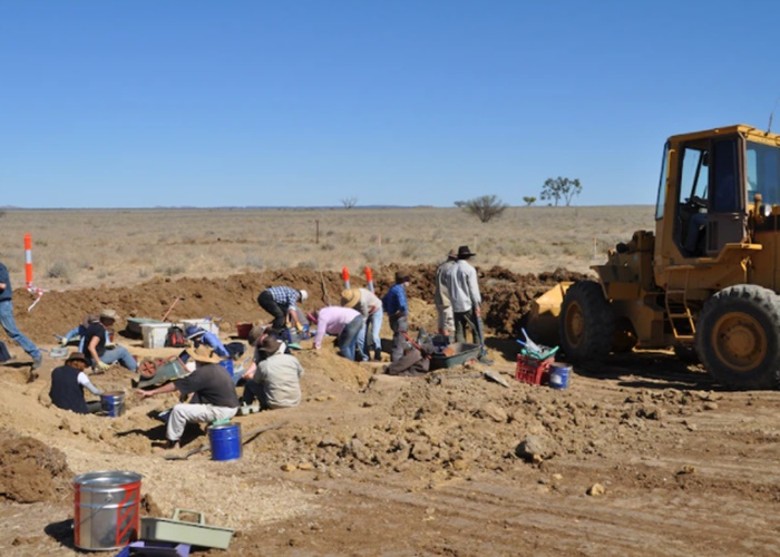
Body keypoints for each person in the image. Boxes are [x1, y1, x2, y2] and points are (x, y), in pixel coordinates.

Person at [136, 344, 240, 449]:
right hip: (232, 406)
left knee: (178, 410)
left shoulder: (202, 373)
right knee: (199, 396)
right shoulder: (219, 369)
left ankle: (172, 443)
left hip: (222, 410)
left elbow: (176, 385)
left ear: (198, 360)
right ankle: (204, 426)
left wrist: (152, 392)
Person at [448, 246, 492, 364]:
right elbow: (473, 290)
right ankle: (480, 355)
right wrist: (477, 304)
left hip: (455, 304)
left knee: (459, 331)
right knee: (477, 330)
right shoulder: (469, 270)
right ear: (468, 257)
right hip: (468, 304)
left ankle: (460, 356)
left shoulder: (451, 270)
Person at [0, 260, 42, 378]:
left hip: (3, 304)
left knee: (13, 332)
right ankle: (3, 356)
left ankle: (35, 353)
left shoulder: (0, 267)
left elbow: (2, 285)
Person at [242, 336, 304, 410]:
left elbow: (256, 381)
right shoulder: (292, 359)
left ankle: (245, 405)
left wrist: (250, 377)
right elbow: (300, 374)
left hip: (274, 403)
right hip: (295, 401)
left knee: (250, 384)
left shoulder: (264, 365)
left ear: (265, 351)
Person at [341, 287, 383, 361]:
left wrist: (360, 326)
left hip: (376, 311)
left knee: (374, 335)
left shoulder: (362, 300)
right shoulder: (350, 299)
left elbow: (365, 315)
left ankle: (378, 354)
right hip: (363, 314)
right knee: (360, 337)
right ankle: (365, 357)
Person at [382, 271, 410, 363]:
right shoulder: (399, 290)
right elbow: (402, 304)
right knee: (399, 341)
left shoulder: (392, 288)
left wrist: (389, 311)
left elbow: (384, 301)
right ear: (404, 281)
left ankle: (401, 359)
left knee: (400, 339)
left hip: (392, 318)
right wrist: (402, 311)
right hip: (399, 319)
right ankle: (397, 363)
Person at [434, 249, 457, 339]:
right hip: (447, 298)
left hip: (439, 297)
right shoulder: (452, 268)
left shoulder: (441, 267)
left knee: (441, 321)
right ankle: (448, 343)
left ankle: (440, 340)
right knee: (448, 323)